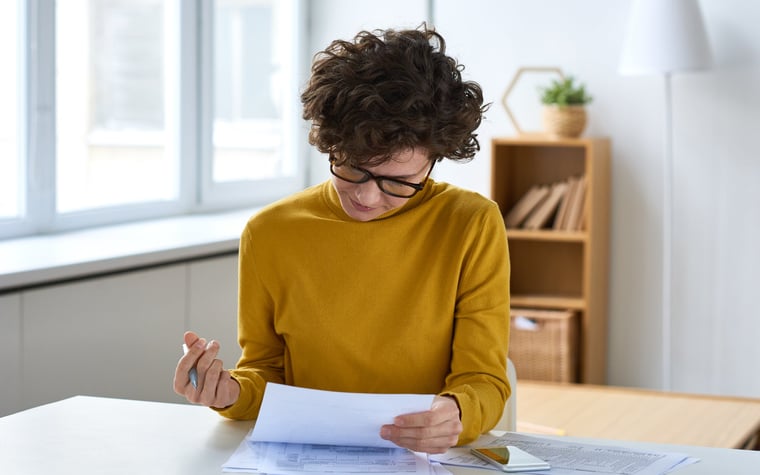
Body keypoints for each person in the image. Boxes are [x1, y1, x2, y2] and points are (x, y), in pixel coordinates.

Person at [174, 24, 510, 455]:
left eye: (399, 182)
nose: (367, 197)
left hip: (422, 460)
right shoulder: (271, 232)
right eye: (352, 168)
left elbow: (484, 380)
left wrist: (458, 412)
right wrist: (229, 394)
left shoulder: (471, 223)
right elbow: (265, 372)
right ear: (330, 142)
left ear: (433, 161)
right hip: (304, 457)